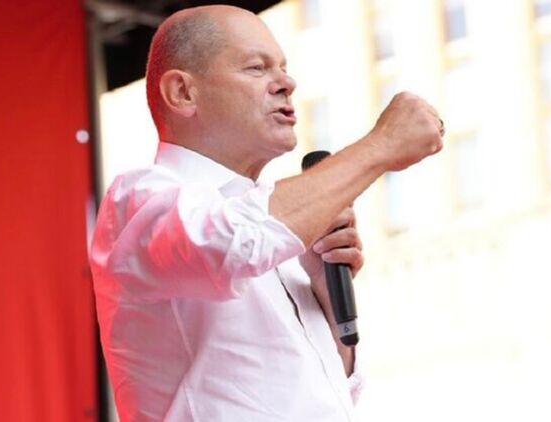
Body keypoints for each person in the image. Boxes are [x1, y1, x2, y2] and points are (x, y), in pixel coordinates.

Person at [89, 4, 444, 421]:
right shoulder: (139, 199)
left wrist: (325, 297)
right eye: (257, 68)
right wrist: (380, 146)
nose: (286, 83)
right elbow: (233, 241)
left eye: (284, 68)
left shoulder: (272, 221)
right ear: (183, 92)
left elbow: (325, 394)